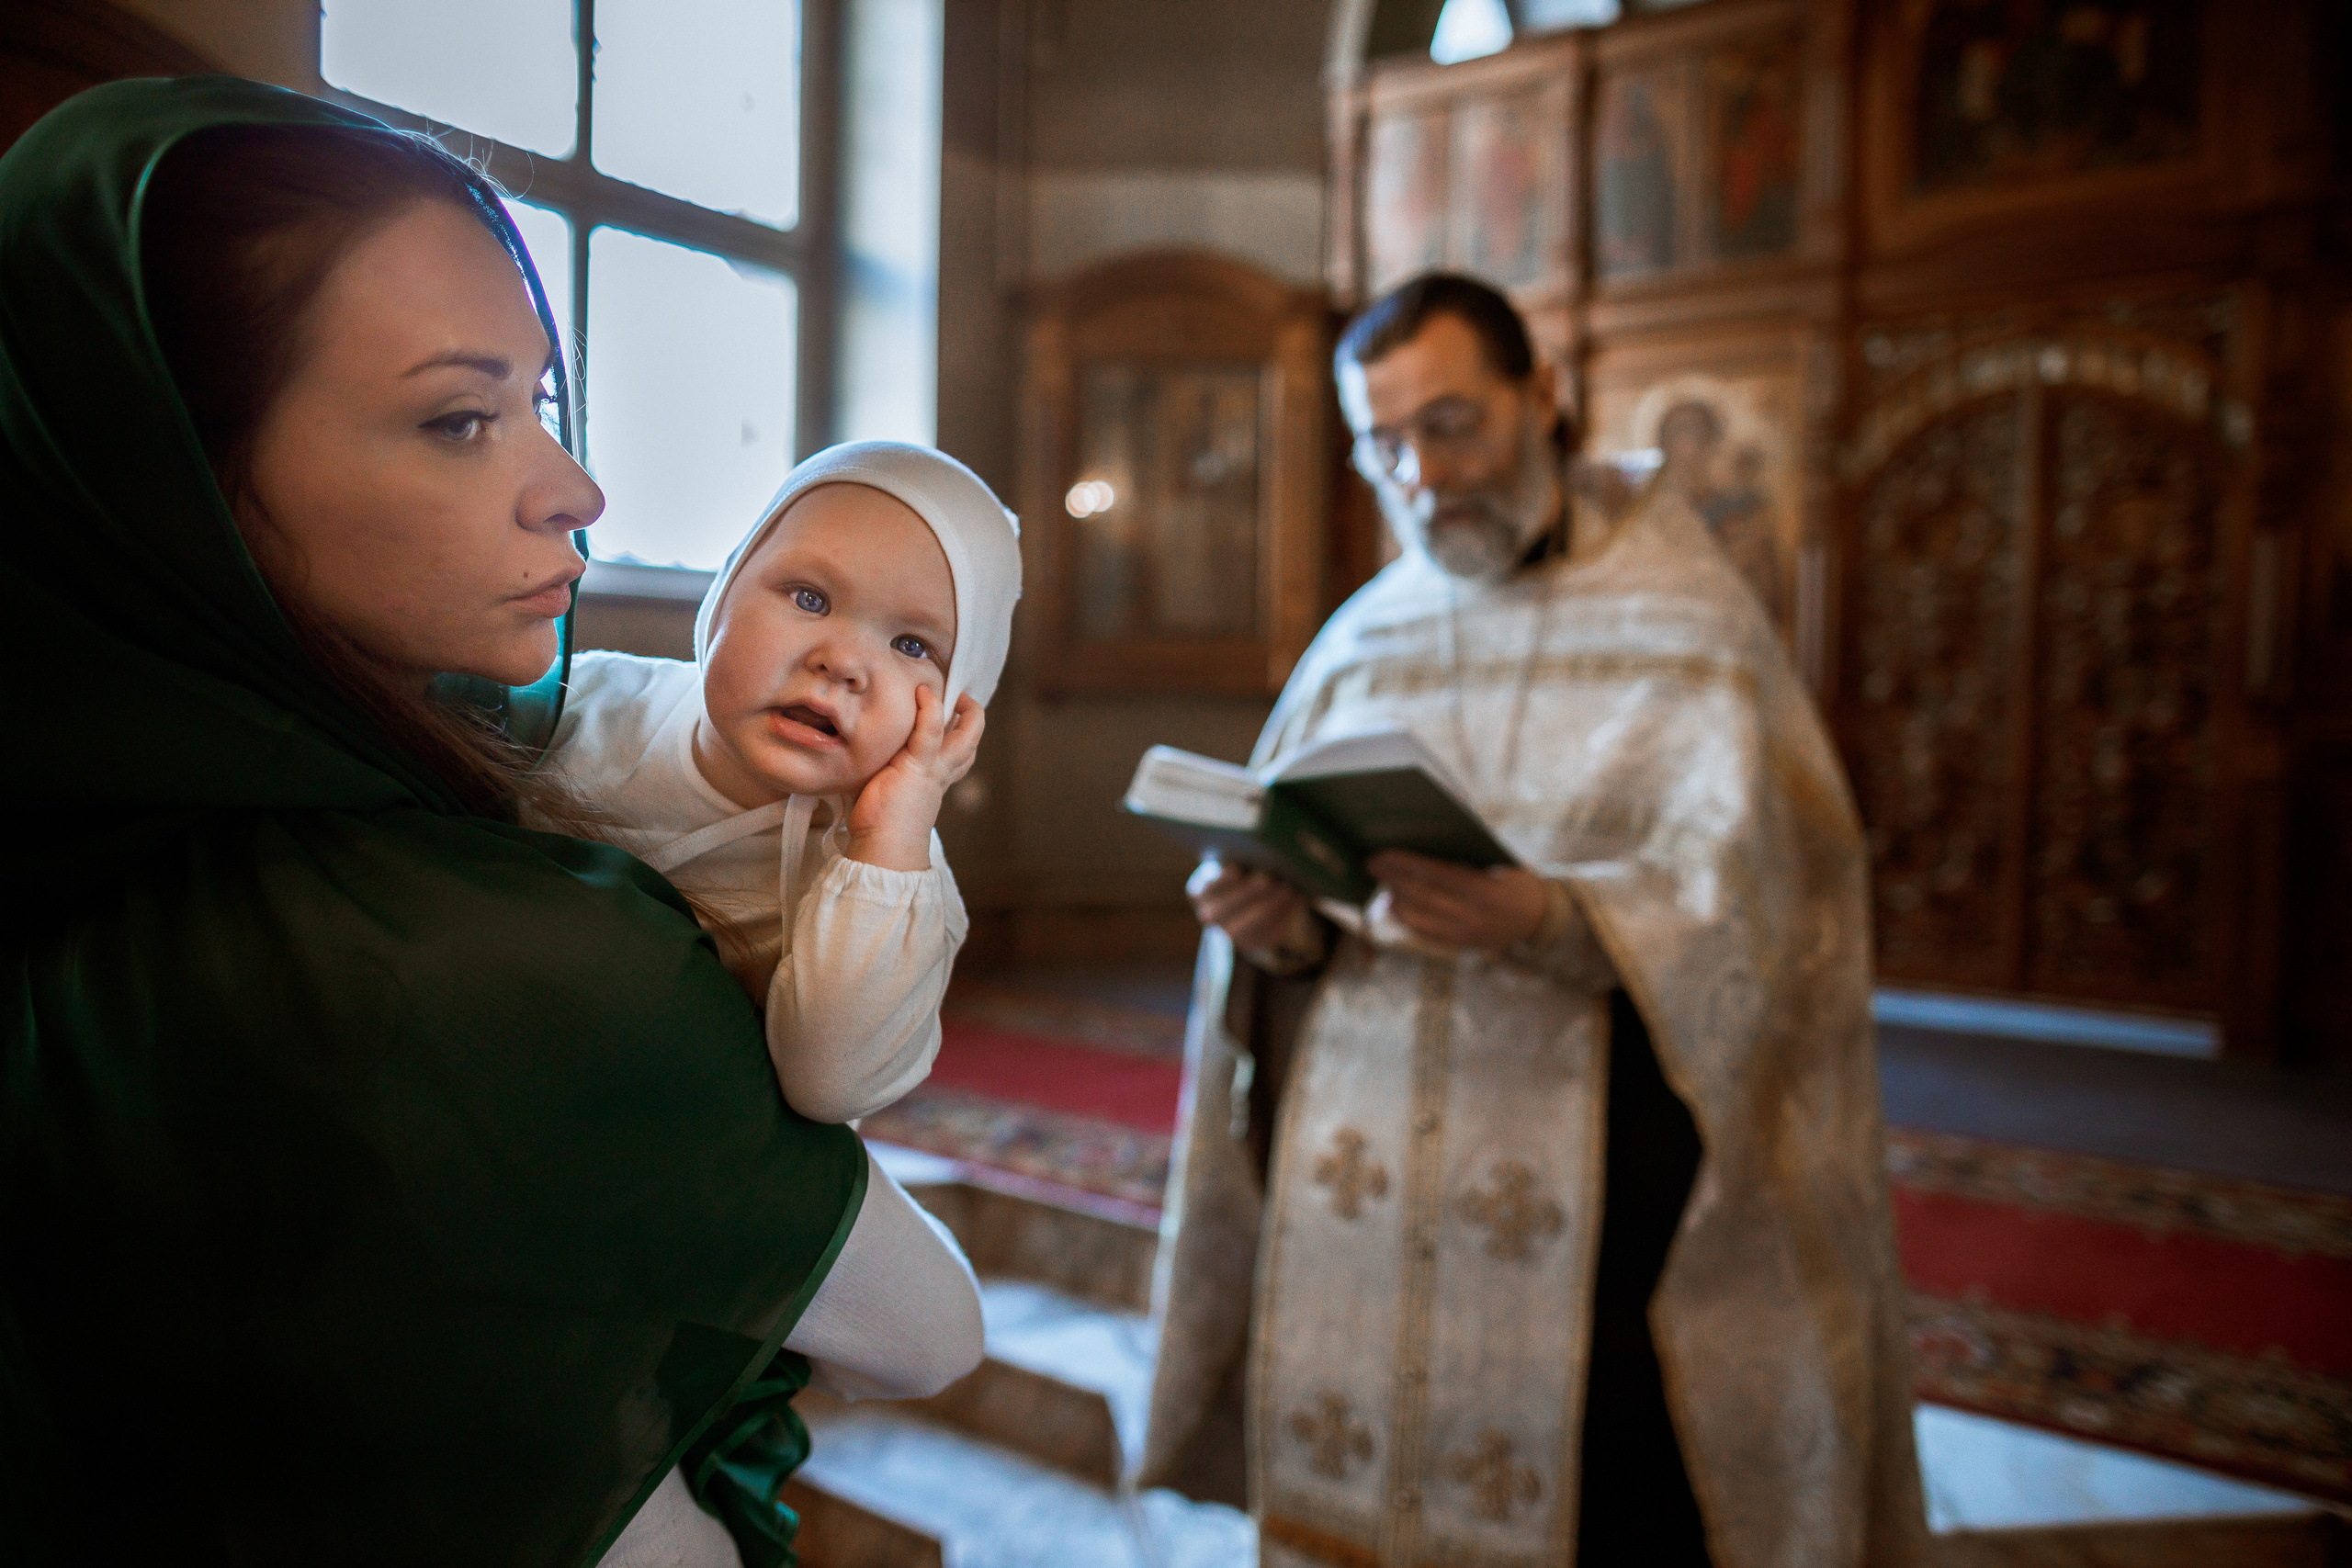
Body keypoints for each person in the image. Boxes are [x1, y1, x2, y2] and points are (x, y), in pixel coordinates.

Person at [0, 78, 978, 1568]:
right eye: (459, 418)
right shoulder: (511, 958)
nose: (573, 489)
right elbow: (924, 1331)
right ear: (173, 470)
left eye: (542, 403)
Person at [1141, 273, 1926, 1567]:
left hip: (1600, 1191)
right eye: (1384, 444)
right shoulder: (1362, 638)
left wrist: (1562, 918)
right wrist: (1274, 930)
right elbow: (1306, 923)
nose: (1423, 475)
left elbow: (1773, 917)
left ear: (1544, 395)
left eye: (1452, 425)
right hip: (1364, 1184)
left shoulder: (1688, 623)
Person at [542, 443, 1020, 1125]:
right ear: (726, 587)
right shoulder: (578, 704)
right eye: (810, 598)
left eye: (912, 645)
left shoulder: (894, 881)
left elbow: (831, 1085)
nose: (843, 662)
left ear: (957, 711)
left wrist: (888, 837)